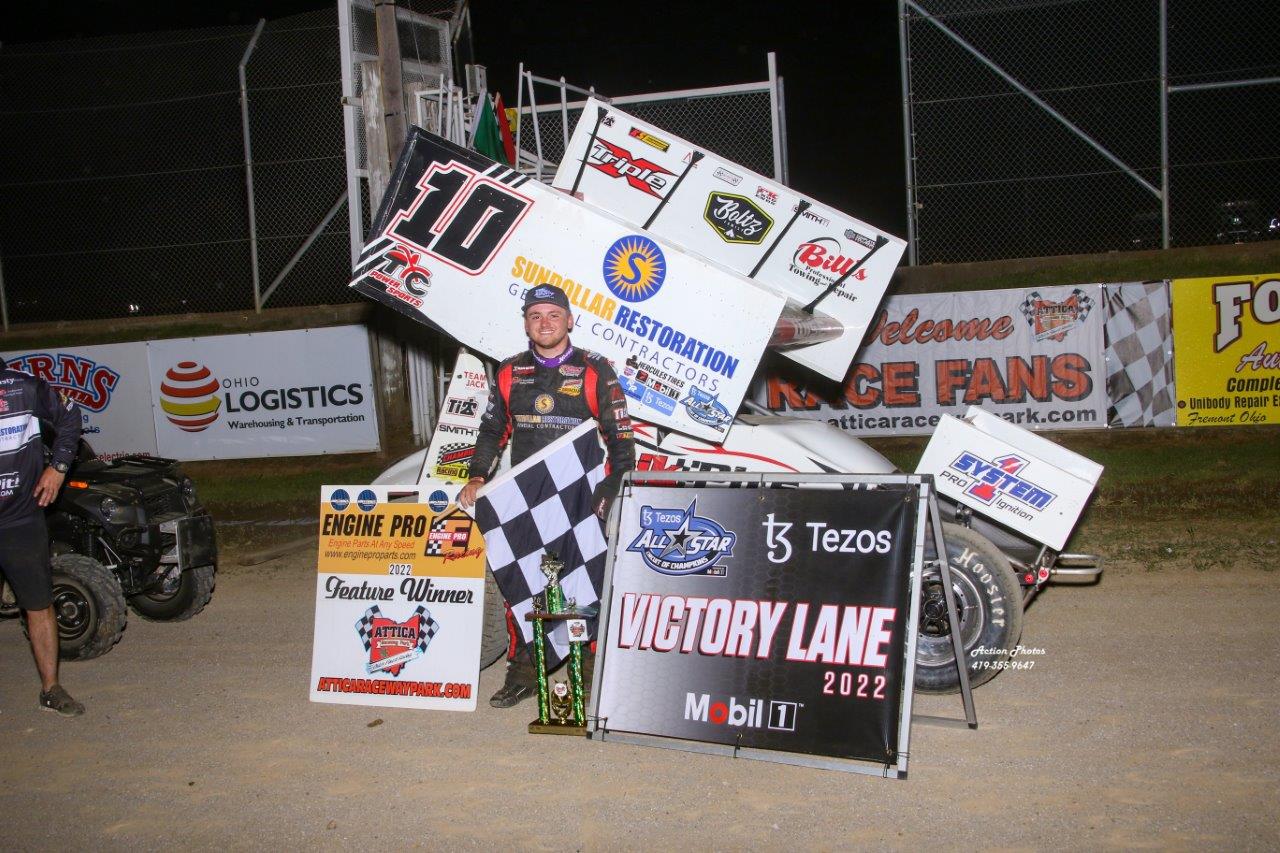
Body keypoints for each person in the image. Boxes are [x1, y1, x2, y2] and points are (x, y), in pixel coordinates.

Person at [459, 283, 635, 707]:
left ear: (569, 320)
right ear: (525, 324)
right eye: (535, 316)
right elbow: (492, 430)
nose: (545, 323)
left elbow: (621, 440)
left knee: (587, 580)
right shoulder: (509, 371)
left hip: (580, 498)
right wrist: (477, 476)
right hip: (524, 499)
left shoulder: (595, 370)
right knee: (522, 580)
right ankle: (525, 670)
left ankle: (588, 669)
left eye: (554, 315)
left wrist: (611, 488)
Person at [0, 357, 84, 716]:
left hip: (20, 517)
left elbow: (70, 417)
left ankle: (51, 689)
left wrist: (58, 468)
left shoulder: (23, 386)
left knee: (38, 603)